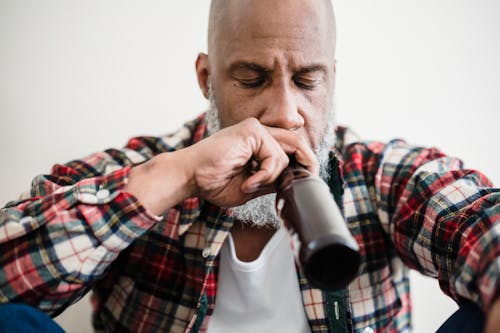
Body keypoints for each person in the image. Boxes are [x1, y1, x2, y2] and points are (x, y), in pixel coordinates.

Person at [0, 0, 499, 332]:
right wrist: (178, 177)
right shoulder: (149, 170)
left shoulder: (378, 173)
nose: (285, 113)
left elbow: (478, 220)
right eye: (252, 78)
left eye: (308, 80)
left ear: (332, 79)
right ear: (206, 78)